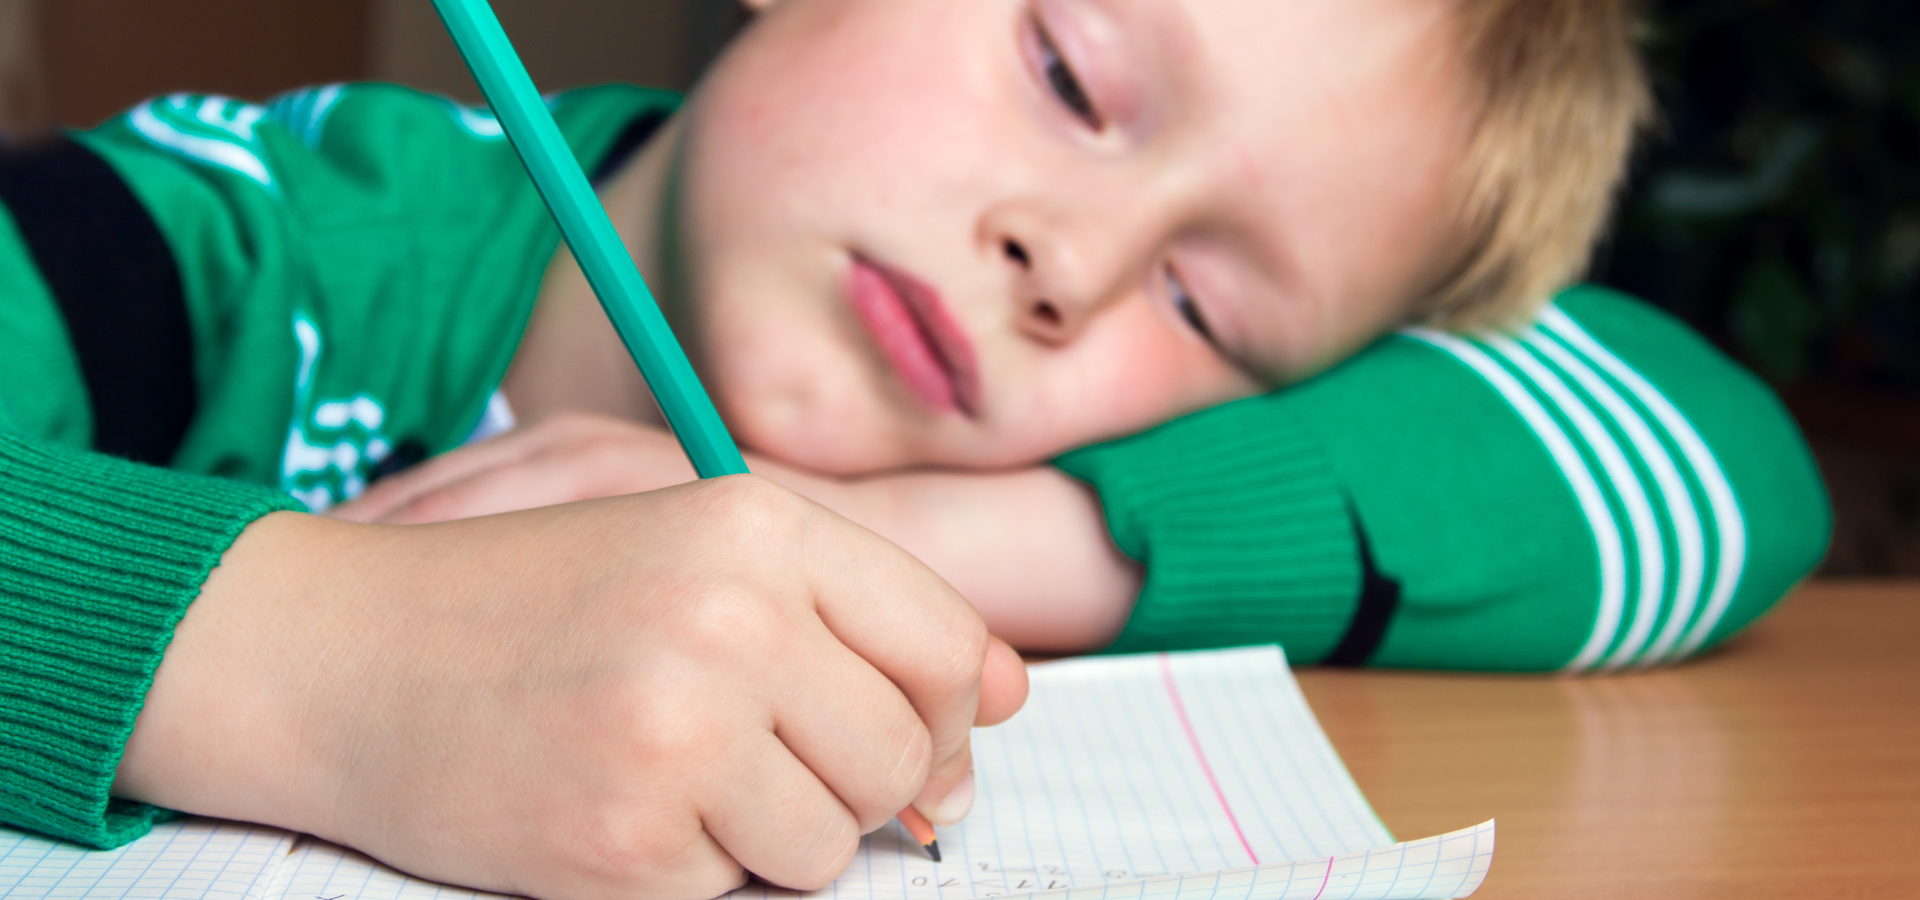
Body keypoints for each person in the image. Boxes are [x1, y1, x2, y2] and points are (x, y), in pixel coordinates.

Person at [0, 0, 1828, 898]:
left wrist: (916, 535)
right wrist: (332, 655)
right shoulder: (236, 246)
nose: (1075, 266)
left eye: (1207, 311)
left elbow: (1718, 462)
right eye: (1073, 75)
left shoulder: (1089, 440)